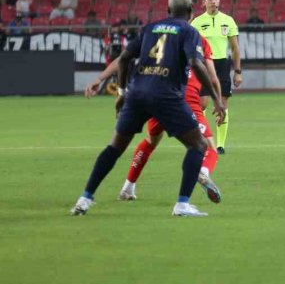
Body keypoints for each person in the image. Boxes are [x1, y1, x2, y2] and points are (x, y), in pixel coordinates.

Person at [70, 0, 226, 217]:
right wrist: (216, 99)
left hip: (137, 92)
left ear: (168, 10)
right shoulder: (189, 31)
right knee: (199, 146)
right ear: (192, 11)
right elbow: (196, 63)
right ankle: (182, 204)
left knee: (115, 147)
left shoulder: (149, 28)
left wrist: (122, 92)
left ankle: (84, 199)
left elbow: (124, 58)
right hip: (167, 95)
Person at [84, 36, 223, 203]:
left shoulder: (156, 35)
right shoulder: (198, 40)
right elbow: (212, 77)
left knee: (150, 141)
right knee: (209, 149)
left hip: (155, 95)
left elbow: (124, 58)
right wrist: (218, 100)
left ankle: (127, 187)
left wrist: (100, 79)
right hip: (182, 99)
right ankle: (202, 174)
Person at [191, 0, 242, 154]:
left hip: (222, 65)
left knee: (223, 105)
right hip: (203, 65)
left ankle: (220, 145)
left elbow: (235, 48)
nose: (214, 1)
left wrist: (238, 71)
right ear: (203, 2)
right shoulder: (196, 23)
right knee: (202, 103)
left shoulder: (228, 20)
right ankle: (204, 140)